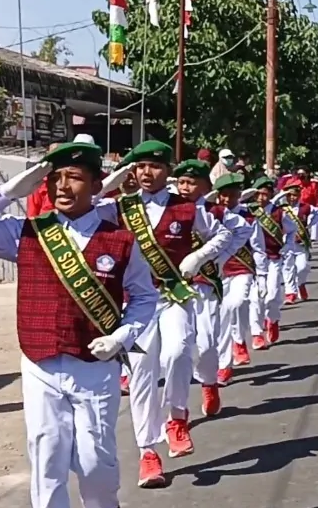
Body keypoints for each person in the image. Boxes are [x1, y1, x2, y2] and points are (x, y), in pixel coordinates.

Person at [0, 142, 157, 508]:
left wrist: (122, 336)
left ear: (96, 186)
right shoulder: (26, 231)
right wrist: (7, 191)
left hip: (94, 367)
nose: (62, 184)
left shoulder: (119, 240)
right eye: (55, 176)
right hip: (40, 362)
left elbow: (144, 298)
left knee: (96, 460)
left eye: (74, 176)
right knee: (48, 461)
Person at [98, 140, 233, 488]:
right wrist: (116, 178)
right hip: (135, 302)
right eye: (140, 166)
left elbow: (222, 234)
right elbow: (89, 205)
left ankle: (176, 417)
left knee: (176, 351)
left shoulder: (188, 209)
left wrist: (199, 257)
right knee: (142, 371)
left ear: (167, 171)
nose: (146, 172)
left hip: (174, 296)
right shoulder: (120, 208)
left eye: (154, 166)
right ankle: (148, 451)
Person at [170, 162, 252, 403]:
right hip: (170, 284)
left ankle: (209, 382)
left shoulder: (214, 211)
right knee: (176, 348)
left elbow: (243, 231)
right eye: (181, 182)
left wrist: (221, 258)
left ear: (205, 187)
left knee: (206, 342)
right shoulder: (167, 208)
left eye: (191, 183)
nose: (185, 188)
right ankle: (176, 408)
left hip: (204, 282)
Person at [211, 174, 271, 382]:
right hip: (215, 274)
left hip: (241, 269)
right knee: (219, 318)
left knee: (235, 304)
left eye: (232, 195)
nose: (227, 200)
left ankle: (238, 341)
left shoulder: (249, 217)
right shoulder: (211, 214)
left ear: (239, 195)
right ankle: (224, 362)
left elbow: (258, 248)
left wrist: (262, 275)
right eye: (223, 195)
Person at [242, 177, 295, 350]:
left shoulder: (279, 213)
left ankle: (273, 319)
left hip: (273, 259)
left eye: (265, 194)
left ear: (271, 194)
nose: (261, 198)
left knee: (272, 294)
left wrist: (287, 246)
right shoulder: (249, 211)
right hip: (253, 261)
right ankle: (256, 333)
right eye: (258, 194)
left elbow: (292, 231)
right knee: (255, 298)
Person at [279, 184, 318, 304]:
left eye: (295, 195)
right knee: (288, 268)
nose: (292, 198)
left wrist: (309, 224)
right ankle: (290, 293)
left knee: (302, 268)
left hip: (300, 243)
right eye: (290, 195)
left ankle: (301, 283)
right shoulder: (281, 208)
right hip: (286, 243)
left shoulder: (305, 207)